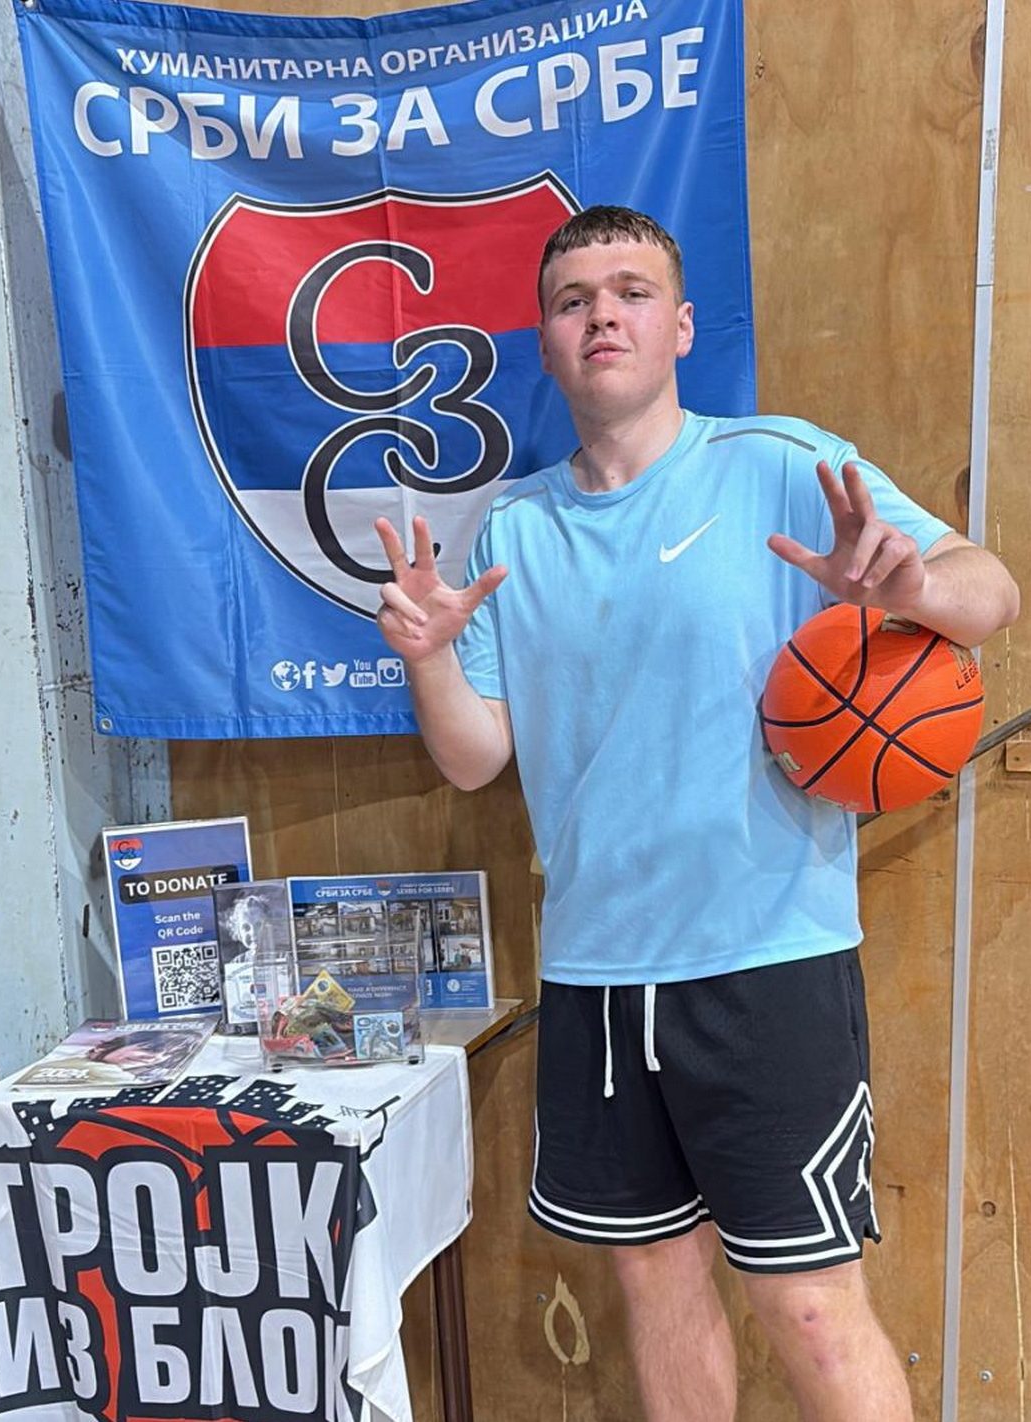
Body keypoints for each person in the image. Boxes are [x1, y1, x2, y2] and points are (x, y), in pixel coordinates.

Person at [372, 206, 1020, 1422]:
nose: (600, 315)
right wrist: (428, 659)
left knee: (810, 1305)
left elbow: (992, 593)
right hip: (596, 973)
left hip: (764, 961)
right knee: (658, 1289)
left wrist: (912, 586)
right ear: (546, 340)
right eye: (572, 300)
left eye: (629, 292)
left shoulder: (779, 464)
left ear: (678, 327)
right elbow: (473, 760)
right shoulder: (515, 528)